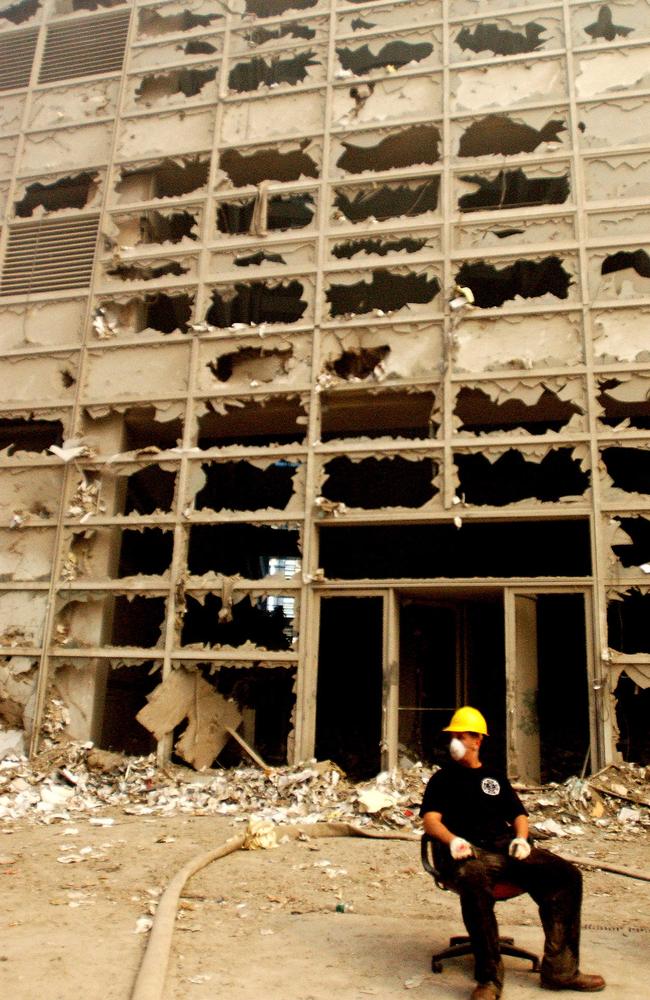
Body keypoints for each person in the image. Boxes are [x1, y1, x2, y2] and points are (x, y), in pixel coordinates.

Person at [420, 706, 606, 1000]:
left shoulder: (494, 778)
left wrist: (521, 839)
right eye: (452, 736)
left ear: (477, 740)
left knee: (566, 876)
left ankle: (561, 970)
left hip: (503, 849)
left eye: (461, 735)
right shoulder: (442, 779)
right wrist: (452, 840)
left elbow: (518, 814)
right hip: (466, 855)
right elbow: (430, 821)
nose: (454, 741)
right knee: (474, 878)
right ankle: (489, 980)